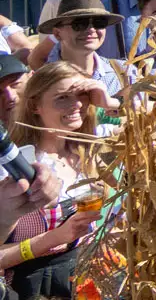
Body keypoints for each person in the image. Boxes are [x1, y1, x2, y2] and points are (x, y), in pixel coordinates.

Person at [0, 62, 113, 298]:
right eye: (62, 98)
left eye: (83, 95)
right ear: (35, 106)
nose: (77, 105)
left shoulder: (88, 150)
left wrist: (109, 103)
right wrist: (55, 238)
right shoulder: (17, 166)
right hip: (30, 287)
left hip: (86, 277)